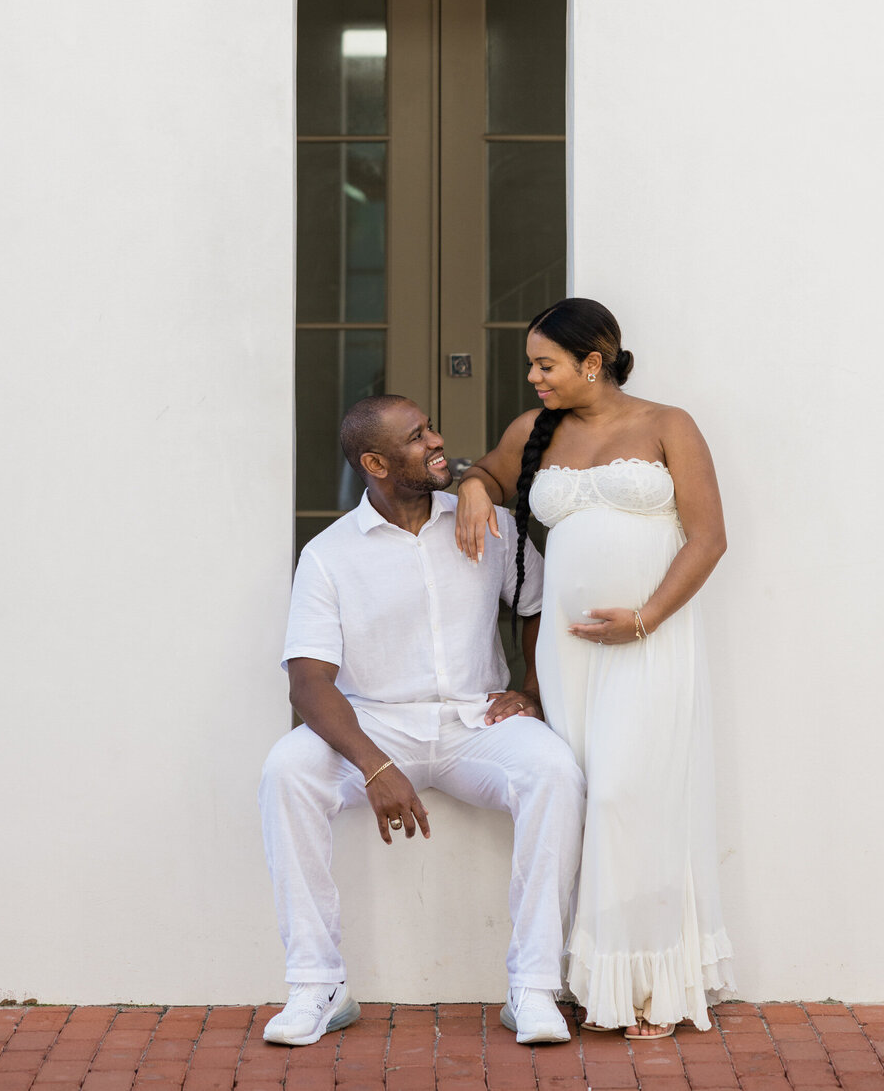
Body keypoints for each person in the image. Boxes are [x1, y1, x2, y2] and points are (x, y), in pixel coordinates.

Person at [259, 393, 586, 1048]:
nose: (437, 440)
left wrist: (532, 688)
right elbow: (308, 681)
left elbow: (539, 603)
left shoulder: (484, 520)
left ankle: (534, 984)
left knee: (555, 769)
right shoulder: (330, 554)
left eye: (432, 425)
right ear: (376, 462)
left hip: (477, 720)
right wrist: (374, 763)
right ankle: (317, 983)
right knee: (286, 770)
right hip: (375, 723)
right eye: (418, 436)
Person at [454, 299, 735, 1036]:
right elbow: (485, 471)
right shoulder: (533, 431)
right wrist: (478, 488)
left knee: (626, 798)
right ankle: (588, 974)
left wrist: (643, 618)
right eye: (530, 365)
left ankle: (647, 983)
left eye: (544, 364)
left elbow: (707, 539)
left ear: (592, 361)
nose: (534, 377)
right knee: (586, 799)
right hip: (569, 654)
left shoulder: (669, 424)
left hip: (649, 641)